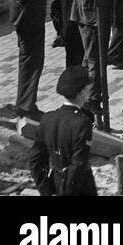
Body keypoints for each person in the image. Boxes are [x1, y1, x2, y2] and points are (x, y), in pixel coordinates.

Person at [27, 64, 97, 196]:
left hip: (56, 182)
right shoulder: (82, 123)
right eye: (88, 89)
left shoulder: (47, 118)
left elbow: (35, 160)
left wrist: (45, 190)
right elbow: (78, 166)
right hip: (79, 188)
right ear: (81, 93)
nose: (89, 92)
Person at [70, 0, 114, 109]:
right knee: (95, 59)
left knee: (89, 59)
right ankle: (92, 98)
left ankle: (85, 92)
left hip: (88, 17)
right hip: (91, 19)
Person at [10, 0, 48, 120]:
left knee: (30, 61)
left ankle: (26, 102)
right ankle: (26, 105)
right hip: (29, 18)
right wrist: (25, 0)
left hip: (27, 17)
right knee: (31, 62)